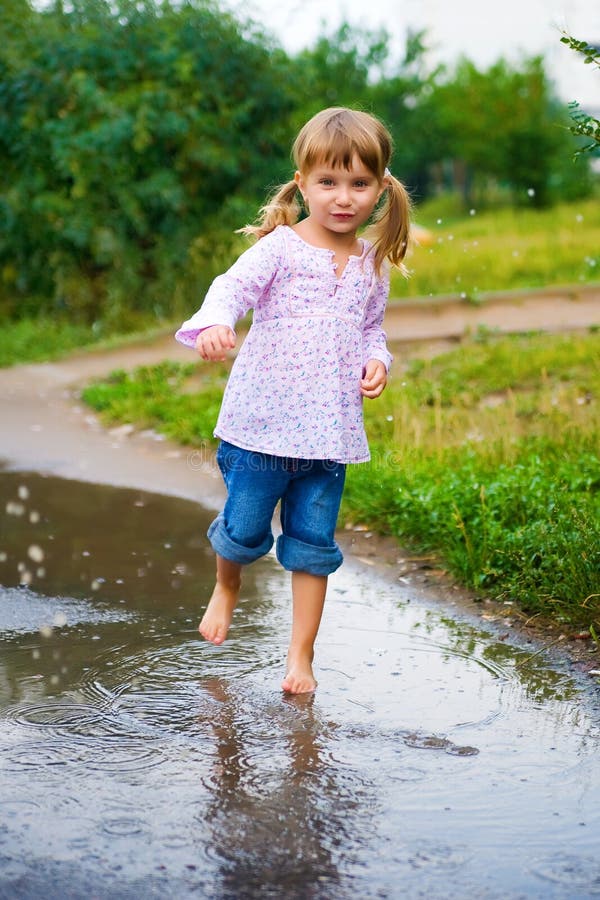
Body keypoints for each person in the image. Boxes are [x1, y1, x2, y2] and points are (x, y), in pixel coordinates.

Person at [175, 106, 411, 694]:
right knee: (246, 530)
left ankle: (300, 657)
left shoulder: (371, 264)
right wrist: (214, 324)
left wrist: (378, 359)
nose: (342, 197)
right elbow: (231, 288)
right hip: (260, 430)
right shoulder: (280, 248)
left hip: (329, 438)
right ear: (302, 182)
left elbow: (370, 327)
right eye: (328, 182)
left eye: (359, 183)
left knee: (313, 549)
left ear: (380, 189)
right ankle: (227, 584)